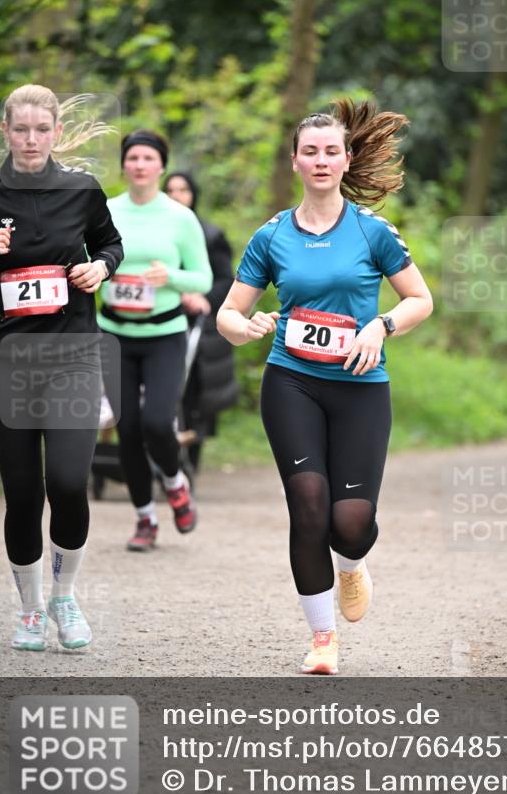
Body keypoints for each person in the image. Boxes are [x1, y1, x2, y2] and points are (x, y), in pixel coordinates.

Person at [217, 100, 433, 675]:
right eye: (309, 151)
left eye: (330, 151)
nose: (320, 160)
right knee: (308, 508)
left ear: (346, 159)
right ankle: (322, 639)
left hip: (361, 387)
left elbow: (421, 299)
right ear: (295, 161)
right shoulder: (271, 237)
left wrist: (380, 325)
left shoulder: (373, 231)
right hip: (292, 381)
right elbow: (228, 316)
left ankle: (352, 566)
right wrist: (249, 326)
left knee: (350, 523)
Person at [0, 84, 124, 651]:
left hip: (74, 354)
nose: (31, 140)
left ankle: (65, 595)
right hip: (6, 359)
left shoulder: (82, 190)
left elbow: (110, 243)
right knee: (23, 494)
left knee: (66, 481)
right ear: (4, 132)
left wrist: (100, 270)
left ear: (56, 132)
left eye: (41, 129)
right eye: (20, 129)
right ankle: (31, 610)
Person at [98, 131, 212, 551]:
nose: (140, 165)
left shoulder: (179, 217)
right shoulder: (106, 211)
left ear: (161, 166)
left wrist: (171, 278)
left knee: (156, 422)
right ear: (125, 165)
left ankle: (174, 480)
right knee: (127, 428)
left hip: (165, 333)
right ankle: (145, 519)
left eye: (148, 158)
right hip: (114, 334)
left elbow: (202, 278)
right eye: (133, 158)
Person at [162, 172, 238, 479]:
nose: (177, 195)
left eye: (183, 189)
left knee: (193, 397)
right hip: (160, 320)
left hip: (199, 328)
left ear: (193, 194)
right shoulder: (154, 233)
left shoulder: (210, 235)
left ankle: (189, 461)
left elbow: (226, 281)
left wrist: (202, 297)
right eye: (170, 190)